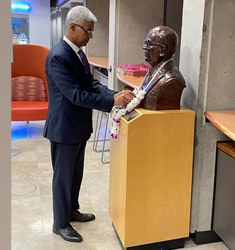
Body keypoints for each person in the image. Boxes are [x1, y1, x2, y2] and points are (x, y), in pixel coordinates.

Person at [43, 6, 134, 243]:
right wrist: (110, 101)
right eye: (88, 31)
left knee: (76, 174)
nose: (91, 35)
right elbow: (75, 95)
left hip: (79, 126)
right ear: (72, 27)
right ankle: (60, 223)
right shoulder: (58, 56)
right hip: (64, 128)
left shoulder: (79, 53)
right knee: (63, 178)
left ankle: (72, 210)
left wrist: (115, 94)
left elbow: (91, 85)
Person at [139, 26, 186, 111]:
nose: (144, 47)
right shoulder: (153, 70)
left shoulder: (171, 79)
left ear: (162, 50)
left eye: (148, 44)